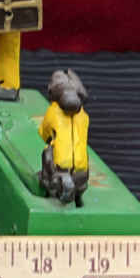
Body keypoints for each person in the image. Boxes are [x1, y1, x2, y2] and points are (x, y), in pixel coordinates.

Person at [37, 69, 90, 204]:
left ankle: (48, 181)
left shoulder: (53, 112)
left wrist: (51, 138)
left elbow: (43, 133)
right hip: (82, 170)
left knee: (47, 152)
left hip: (60, 169)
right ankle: (78, 191)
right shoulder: (84, 116)